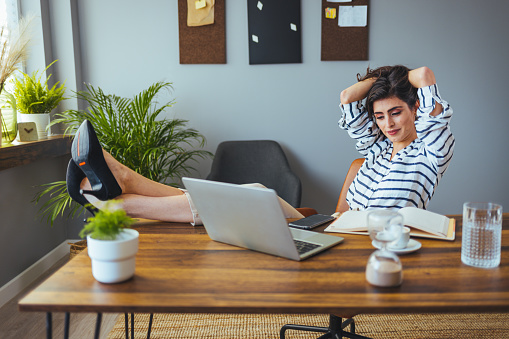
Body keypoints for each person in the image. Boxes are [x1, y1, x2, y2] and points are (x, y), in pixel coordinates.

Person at [66, 120, 303, 224]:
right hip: (329, 226)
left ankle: (121, 202)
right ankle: (125, 181)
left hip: (337, 236)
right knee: (258, 194)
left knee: (258, 194)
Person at [338, 65, 454, 210]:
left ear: (416, 107)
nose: (388, 124)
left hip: (389, 232)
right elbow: (347, 97)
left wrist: (394, 78)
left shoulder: (431, 153)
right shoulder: (377, 146)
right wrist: (384, 79)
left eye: (395, 113)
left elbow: (424, 75)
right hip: (345, 229)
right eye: (380, 117)